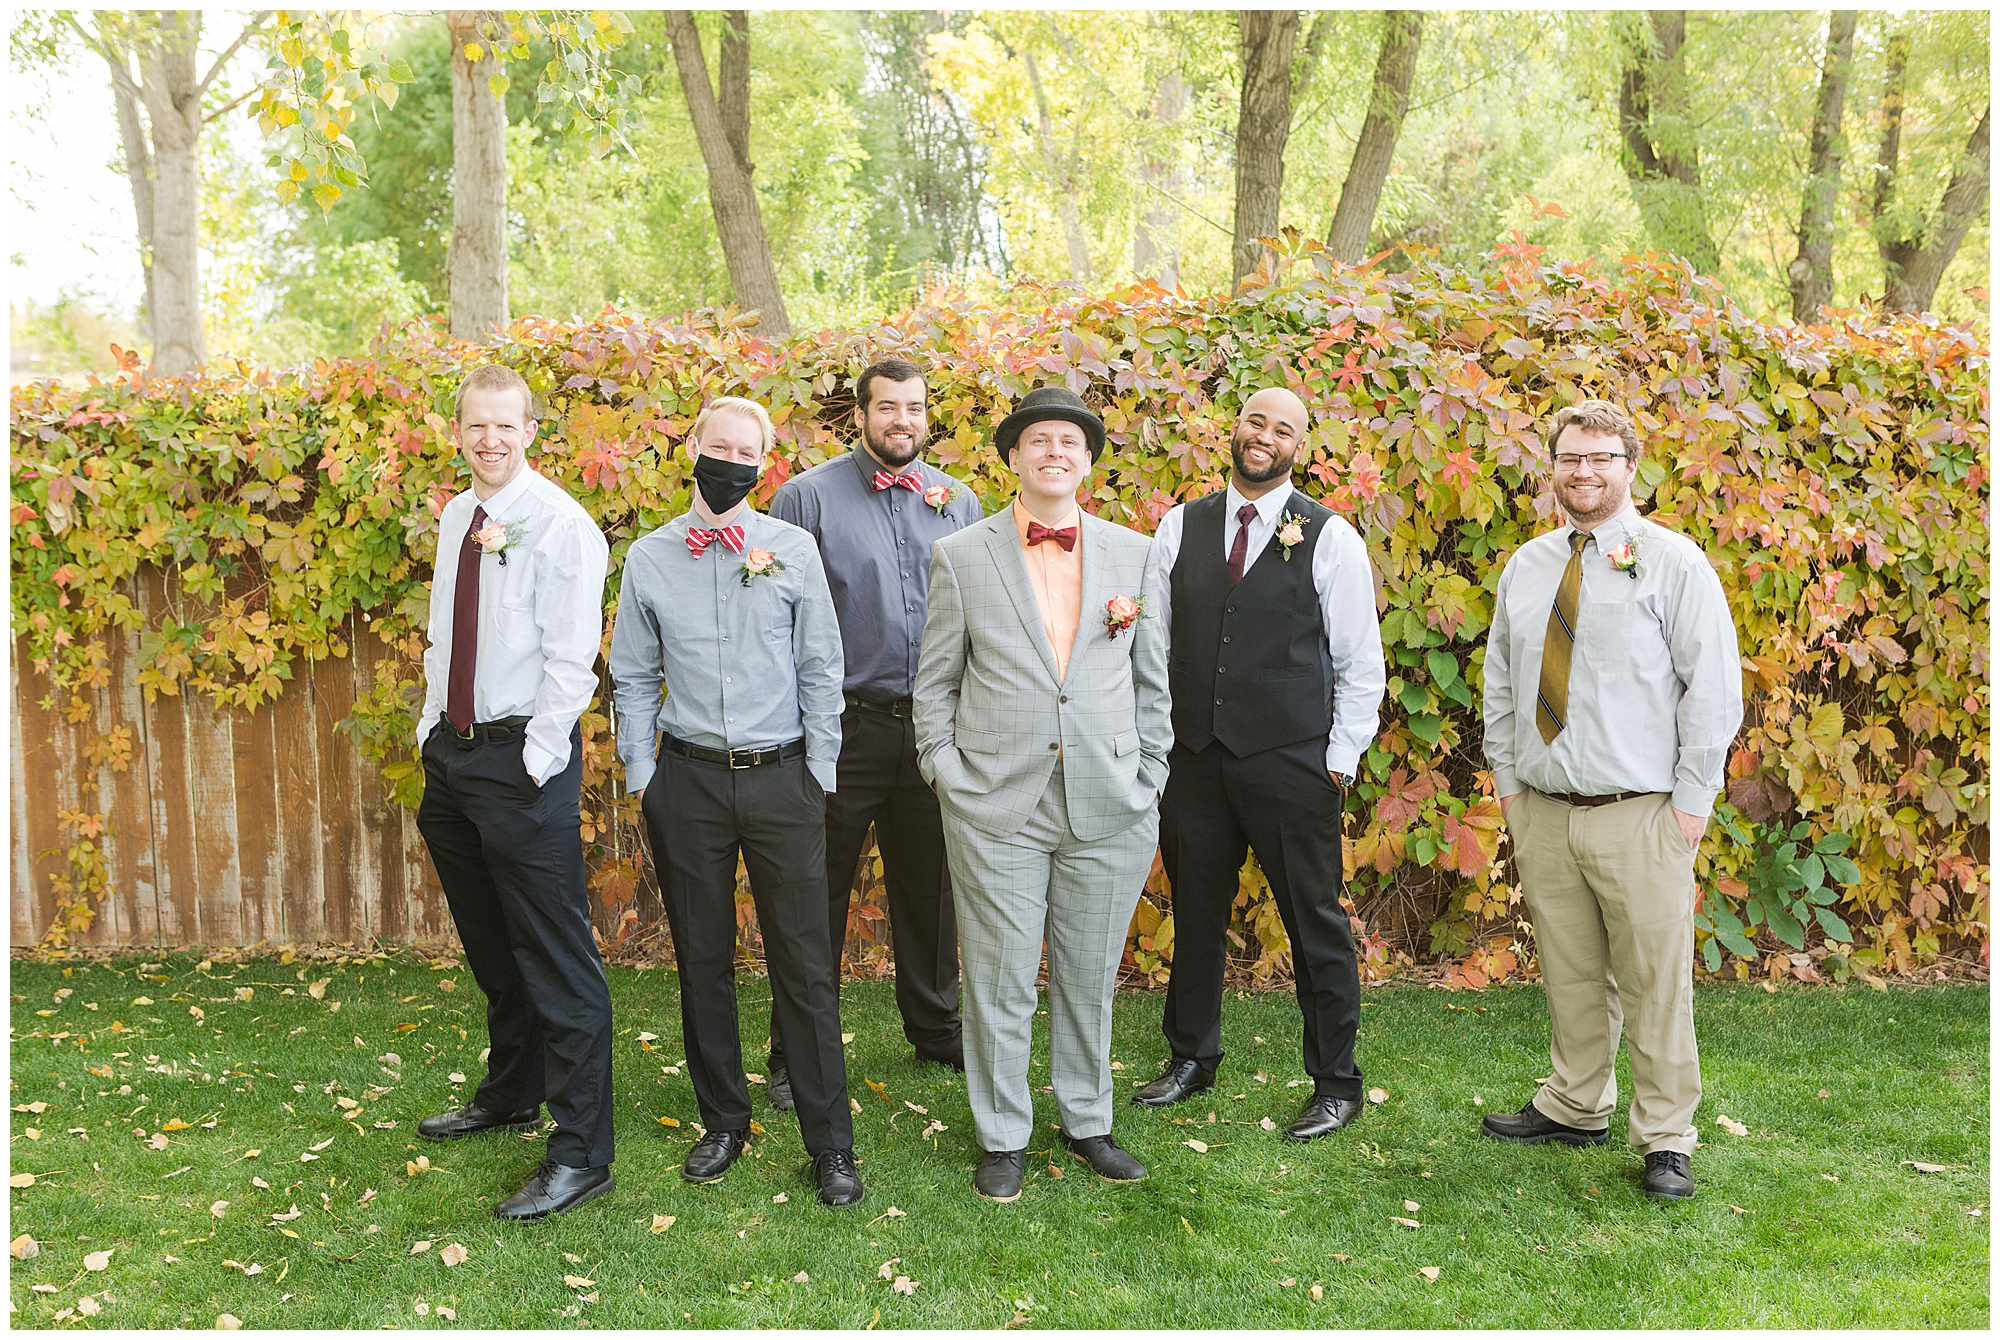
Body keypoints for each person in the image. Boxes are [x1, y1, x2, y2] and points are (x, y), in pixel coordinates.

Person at [1480, 399, 1743, 1202]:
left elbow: (1714, 690)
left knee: (1654, 981)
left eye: (1600, 458)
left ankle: (1666, 1137)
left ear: (1631, 467)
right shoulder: (1528, 566)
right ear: (1552, 468)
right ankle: (1575, 1103)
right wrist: (1511, 789)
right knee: (1569, 971)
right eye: (1569, 458)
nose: (1583, 472)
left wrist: (1691, 805)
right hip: (1548, 811)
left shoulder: (1673, 563)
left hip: (1644, 813)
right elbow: (1501, 681)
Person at [913, 385, 1171, 1203]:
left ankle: (1088, 1119)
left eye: (1070, 442)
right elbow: (934, 686)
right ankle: (1002, 1134)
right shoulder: (963, 554)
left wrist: (1150, 774)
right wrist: (947, 775)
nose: (1055, 453)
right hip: (996, 802)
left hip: (1110, 798)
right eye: (1039, 442)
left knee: (1092, 969)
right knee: (996, 973)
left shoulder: (1135, 555)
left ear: (1087, 461)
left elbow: (1154, 680)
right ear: (1014, 457)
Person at [607, 395, 864, 1209]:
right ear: (692, 446)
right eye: (718, 445)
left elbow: (823, 664)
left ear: (764, 464)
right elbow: (636, 676)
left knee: (805, 966)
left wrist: (818, 771)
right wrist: (643, 776)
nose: (731, 459)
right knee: (702, 960)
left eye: (746, 451)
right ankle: (724, 1119)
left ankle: (831, 1143)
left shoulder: (791, 549)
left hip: (783, 779)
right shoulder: (649, 558)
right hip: (687, 784)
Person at [1139, 386, 1387, 1141]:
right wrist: (1159, 747)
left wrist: (1336, 761)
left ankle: (1336, 1081)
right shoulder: (1180, 525)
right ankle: (1191, 1057)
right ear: (1234, 428)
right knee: (1198, 914)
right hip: (1195, 762)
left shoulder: (1330, 536)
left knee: (1314, 921)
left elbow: (1359, 661)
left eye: (1283, 429)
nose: (1264, 437)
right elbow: (1152, 642)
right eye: (1255, 421)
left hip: (1290, 763)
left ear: (1298, 447)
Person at [412, 363, 616, 1221]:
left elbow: (572, 660)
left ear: (531, 430)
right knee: (493, 947)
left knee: (557, 959)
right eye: (475, 426)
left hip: (521, 766)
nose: (490, 440)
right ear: (457, 431)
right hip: (454, 763)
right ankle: (511, 1092)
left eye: (506, 426)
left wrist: (535, 762)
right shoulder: (460, 515)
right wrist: (431, 731)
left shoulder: (561, 526)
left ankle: (581, 1154)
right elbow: (442, 635)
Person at [763, 358, 982, 1110]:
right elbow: (775, 621)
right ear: (858, 415)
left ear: (928, 415)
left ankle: (934, 1026)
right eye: (888, 407)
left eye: (916, 407)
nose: (903, 421)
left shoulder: (961, 502)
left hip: (931, 728)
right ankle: (795, 1052)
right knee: (811, 894)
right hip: (840, 729)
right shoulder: (806, 499)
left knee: (933, 891)